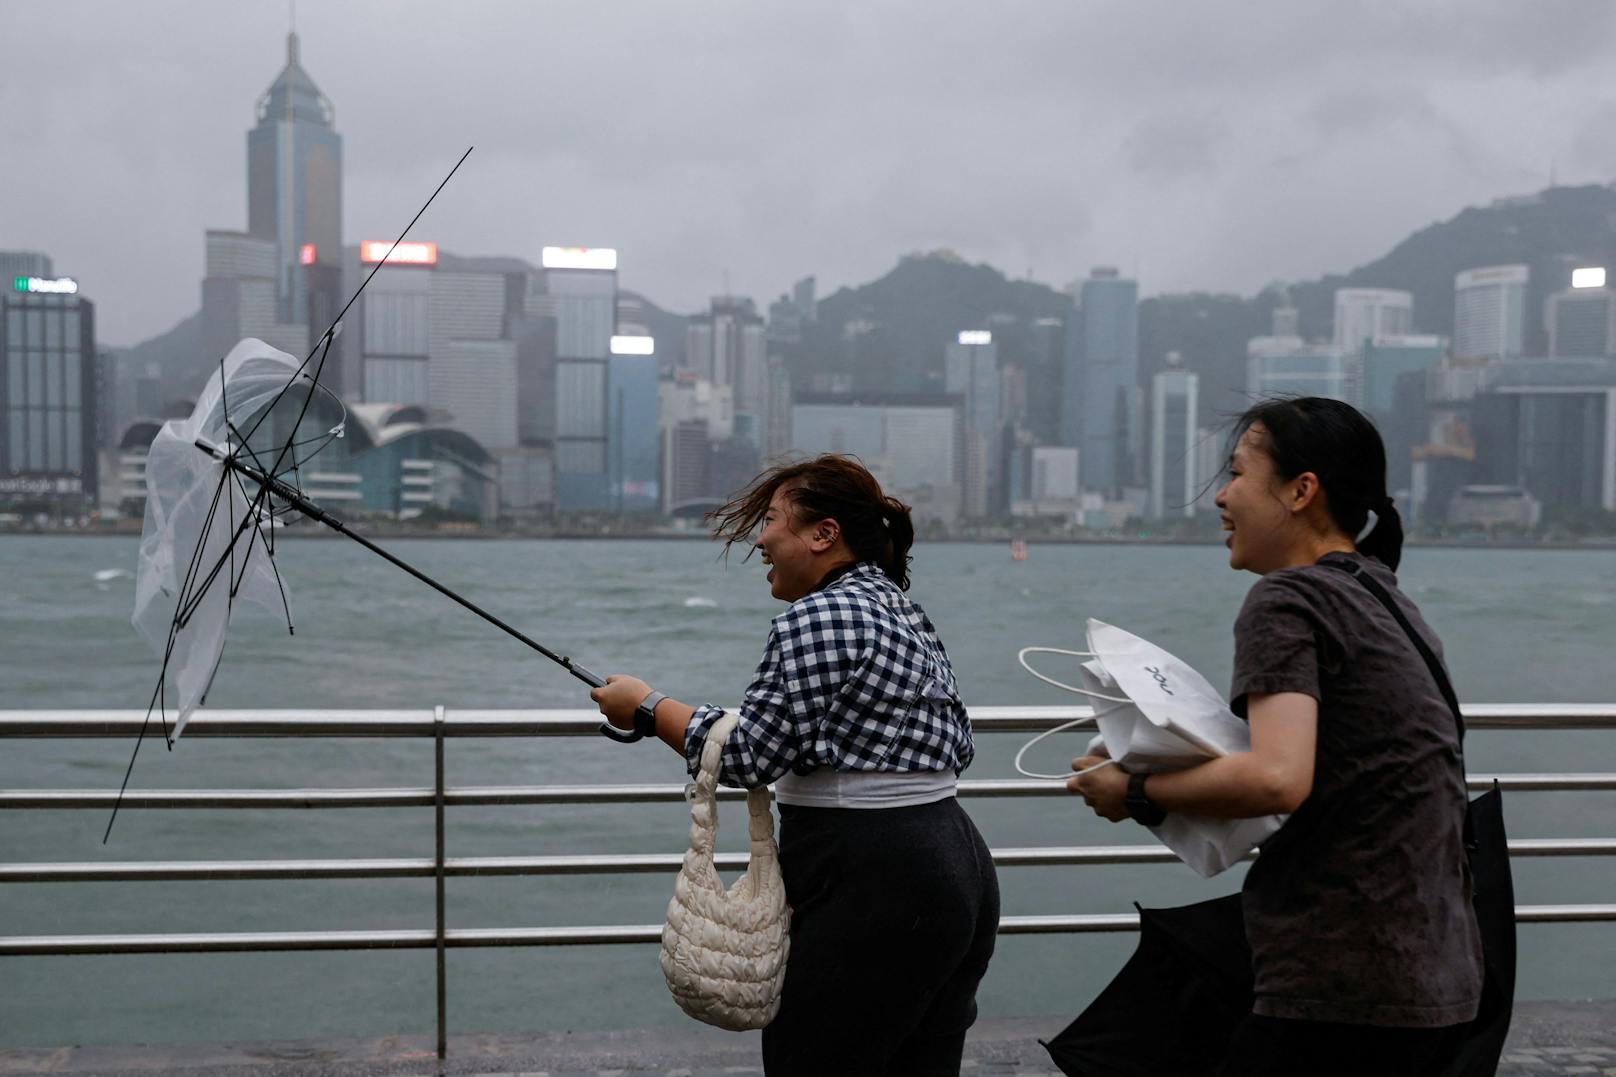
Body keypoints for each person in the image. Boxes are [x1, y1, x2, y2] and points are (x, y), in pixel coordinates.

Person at [1069, 397, 1483, 1077]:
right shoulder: (1384, 597)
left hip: (1342, 984)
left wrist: (1134, 788)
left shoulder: (1289, 600)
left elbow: (1277, 778)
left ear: (1301, 490)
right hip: (1438, 970)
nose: (1222, 496)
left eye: (1236, 473)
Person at [590, 454, 1000, 1076]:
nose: (761, 539)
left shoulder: (820, 614)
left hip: (874, 871)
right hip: (954, 858)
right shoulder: (895, 607)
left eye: (773, 520)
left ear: (823, 534)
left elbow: (752, 755)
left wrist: (646, 707)